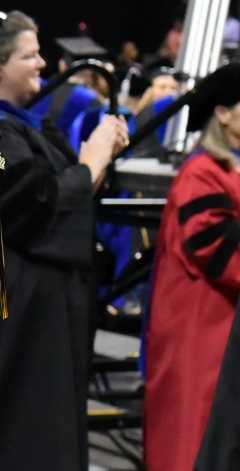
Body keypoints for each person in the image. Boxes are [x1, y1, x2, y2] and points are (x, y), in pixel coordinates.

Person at [0, 10, 129, 471]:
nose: (42, 63)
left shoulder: (28, 125)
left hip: (43, 322)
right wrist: (91, 162)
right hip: (13, 327)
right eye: (30, 55)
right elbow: (32, 205)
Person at [145, 62, 240, 471]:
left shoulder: (228, 171)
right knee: (190, 446)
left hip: (222, 336)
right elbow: (221, 252)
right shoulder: (201, 174)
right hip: (201, 339)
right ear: (223, 112)